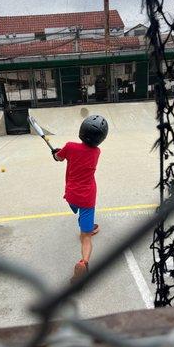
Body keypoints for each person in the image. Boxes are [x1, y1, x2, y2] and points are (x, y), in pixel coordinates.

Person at [52, 115, 108, 283]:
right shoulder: (97, 152)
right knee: (85, 236)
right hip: (88, 198)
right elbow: (81, 153)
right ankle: (84, 262)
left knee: (77, 209)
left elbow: (59, 158)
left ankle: (87, 224)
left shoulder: (69, 147)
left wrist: (55, 153)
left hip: (71, 196)